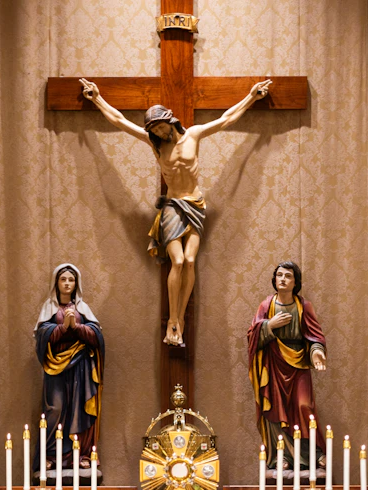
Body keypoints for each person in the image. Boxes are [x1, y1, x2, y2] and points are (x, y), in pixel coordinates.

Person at [80, 78, 272, 347]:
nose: (159, 133)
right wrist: (97, 98)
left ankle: (179, 321)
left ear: (171, 120)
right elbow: (120, 122)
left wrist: (252, 97)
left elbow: (227, 119)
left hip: (194, 205)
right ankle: (172, 320)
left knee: (191, 261)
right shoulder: (155, 144)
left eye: (161, 127)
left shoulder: (193, 135)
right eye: (155, 130)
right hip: (171, 206)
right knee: (178, 262)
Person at [248, 261, 327, 471]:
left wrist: (317, 352)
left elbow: (314, 335)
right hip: (273, 363)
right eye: (279, 275)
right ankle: (279, 457)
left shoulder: (303, 306)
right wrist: (269, 325)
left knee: (303, 406)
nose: (282, 279)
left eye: (288, 276)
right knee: (275, 410)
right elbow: (251, 335)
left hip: (299, 363)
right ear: (274, 279)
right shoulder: (266, 305)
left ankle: (314, 454)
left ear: (295, 282)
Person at [34, 263, 104, 472]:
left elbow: (97, 336)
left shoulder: (82, 308)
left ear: (76, 284)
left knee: (79, 409)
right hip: (55, 367)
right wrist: (63, 328)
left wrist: (77, 327)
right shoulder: (49, 308)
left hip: (81, 366)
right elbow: (41, 337)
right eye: (63, 279)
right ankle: (51, 455)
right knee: (55, 409)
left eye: (71, 280)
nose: (67, 283)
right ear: (56, 282)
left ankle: (80, 453)